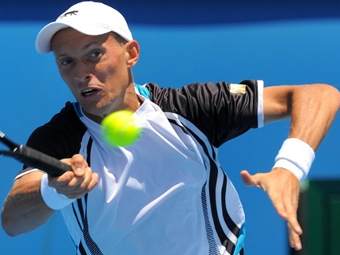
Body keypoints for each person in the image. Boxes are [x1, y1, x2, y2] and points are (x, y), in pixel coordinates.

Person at [1, 1, 339, 254]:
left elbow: (319, 95)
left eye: (94, 54)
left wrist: (289, 168)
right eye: (67, 61)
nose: (81, 73)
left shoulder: (189, 109)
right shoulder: (59, 137)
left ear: (131, 53)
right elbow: (13, 221)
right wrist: (54, 190)